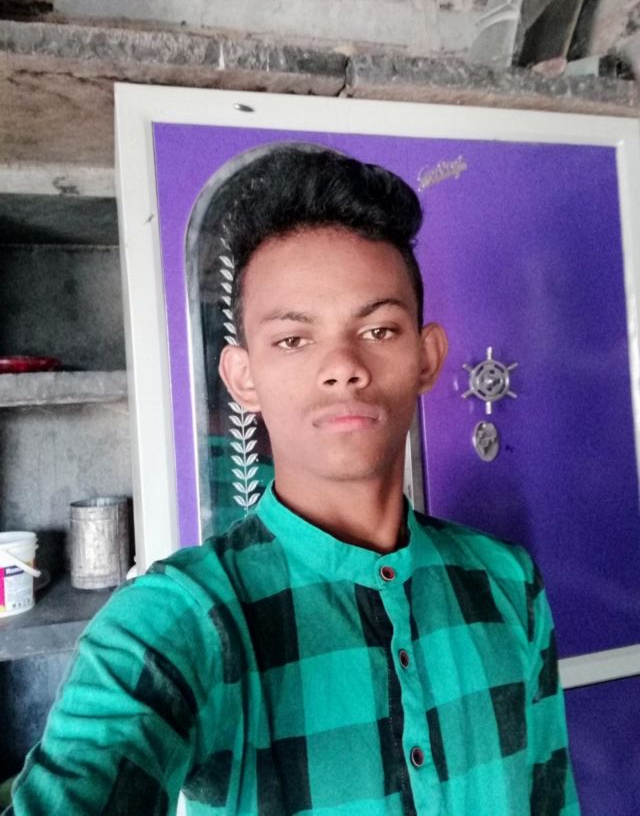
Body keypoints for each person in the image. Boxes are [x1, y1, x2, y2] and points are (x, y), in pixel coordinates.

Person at [8, 146, 579, 815]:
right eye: (293, 339)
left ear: (427, 358)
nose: (343, 365)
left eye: (379, 329)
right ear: (243, 377)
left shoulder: (510, 583)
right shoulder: (180, 621)